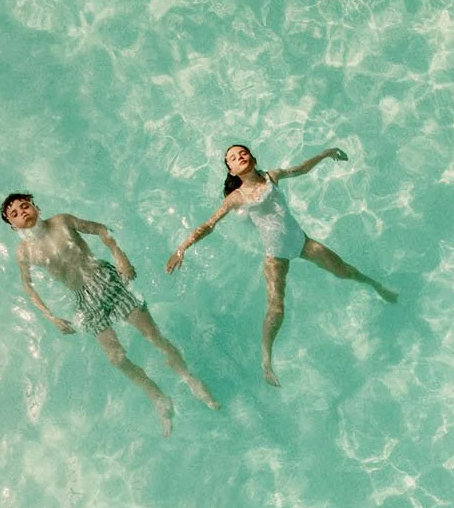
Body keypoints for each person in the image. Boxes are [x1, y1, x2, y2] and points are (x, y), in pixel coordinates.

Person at [164, 143, 396, 387]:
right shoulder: (236, 198)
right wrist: (182, 248)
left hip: (302, 242)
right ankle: (266, 361)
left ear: (253, 158)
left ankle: (376, 286)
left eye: (242, 152)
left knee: (344, 270)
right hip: (275, 256)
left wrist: (326, 154)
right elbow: (209, 224)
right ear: (231, 170)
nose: (239, 156)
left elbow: (301, 169)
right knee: (276, 310)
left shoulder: (272, 176)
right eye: (232, 157)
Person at [0, 193, 219, 436]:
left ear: (36, 207)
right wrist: (50, 317)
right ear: (13, 226)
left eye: (25, 206)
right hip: (84, 299)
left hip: (105, 279)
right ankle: (158, 397)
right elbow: (28, 286)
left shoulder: (62, 221)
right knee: (116, 358)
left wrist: (120, 257)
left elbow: (101, 229)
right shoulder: (24, 252)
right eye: (15, 214)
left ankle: (188, 377)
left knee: (152, 335)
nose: (22, 213)